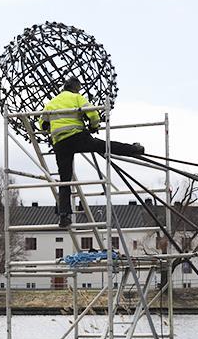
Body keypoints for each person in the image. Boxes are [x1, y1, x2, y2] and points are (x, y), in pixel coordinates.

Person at [40, 77, 144, 228]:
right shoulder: (77, 97)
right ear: (76, 88)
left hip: (60, 143)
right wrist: (94, 126)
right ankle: (134, 149)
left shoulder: (51, 102)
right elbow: (93, 114)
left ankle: (64, 216)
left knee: (64, 180)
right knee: (104, 146)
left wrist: (51, 127)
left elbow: (42, 124)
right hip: (77, 137)